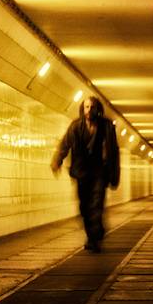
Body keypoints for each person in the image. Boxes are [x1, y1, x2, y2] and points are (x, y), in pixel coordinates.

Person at [51, 96, 121, 252]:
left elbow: (114, 152)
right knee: (84, 207)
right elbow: (65, 144)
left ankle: (95, 238)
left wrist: (114, 173)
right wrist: (57, 160)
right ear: (83, 109)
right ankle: (93, 235)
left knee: (96, 205)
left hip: (99, 173)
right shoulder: (76, 126)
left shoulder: (107, 127)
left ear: (98, 109)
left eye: (92, 107)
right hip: (82, 173)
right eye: (86, 107)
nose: (89, 110)